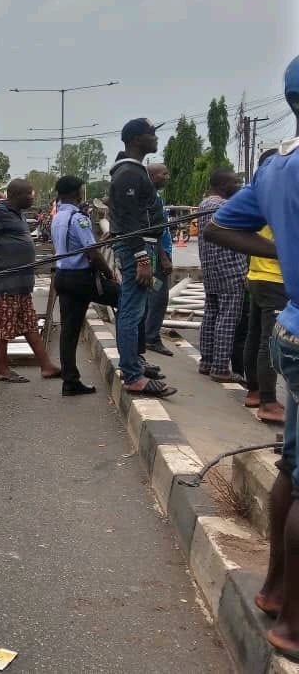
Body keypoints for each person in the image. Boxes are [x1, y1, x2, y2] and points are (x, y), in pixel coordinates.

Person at [202, 54, 299, 660]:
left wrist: (282, 248)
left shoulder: (276, 168)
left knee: (292, 465)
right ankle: (291, 625)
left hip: (290, 328)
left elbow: (217, 229)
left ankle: (272, 591)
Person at [0, 178, 61, 383]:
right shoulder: (0, 213)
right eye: (29, 194)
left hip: (20, 283)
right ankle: (2, 369)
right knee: (4, 325)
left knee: (29, 324)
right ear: (17, 195)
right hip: (5, 282)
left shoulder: (17, 214)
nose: (32, 197)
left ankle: (46, 366)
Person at [108, 118, 175, 397]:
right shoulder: (128, 174)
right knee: (131, 310)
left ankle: (134, 363)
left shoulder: (133, 172)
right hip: (138, 248)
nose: (155, 138)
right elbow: (129, 219)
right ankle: (132, 375)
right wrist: (142, 259)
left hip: (143, 246)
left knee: (133, 310)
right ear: (136, 139)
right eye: (151, 134)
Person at [51, 176, 120, 396]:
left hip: (62, 275)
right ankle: (134, 359)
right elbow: (92, 253)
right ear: (76, 193)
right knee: (127, 299)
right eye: (81, 191)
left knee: (69, 332)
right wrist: (110, 275)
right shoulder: (78, 217)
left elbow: (76, 246)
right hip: (81, 278)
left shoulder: (58, 216)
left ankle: (70, 381)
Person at [242, 149, 288, 424]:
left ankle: (255, 391)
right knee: (269, 342)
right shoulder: (278, 195)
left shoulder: (256, 193)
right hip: (274, 277)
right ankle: (268, 402)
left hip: (257, 274)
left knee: (256, 335)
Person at [197, 167, 247, 382]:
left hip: (209, 267)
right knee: (227, 318)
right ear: (224, 185)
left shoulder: (204, 204)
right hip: (230, 268)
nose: (239, 185)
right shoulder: (227, 206)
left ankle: (206, 362)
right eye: (235, 182)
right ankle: (220, 368)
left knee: (211, 314)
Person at [145, 164, 175, 356]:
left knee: (152, 296)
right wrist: (163, 257)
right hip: (157, 255)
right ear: (152, 176)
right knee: (159, 297)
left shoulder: (153, 197)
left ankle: (148, 334)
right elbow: (152, 232)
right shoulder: (150, 199)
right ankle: (152, 338)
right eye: (163, 173)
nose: (167, 176)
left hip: (157, 253)